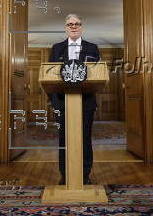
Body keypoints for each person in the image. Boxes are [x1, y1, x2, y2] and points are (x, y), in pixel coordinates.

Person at [48, 14, 100, 185]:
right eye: (70, 24)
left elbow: (98, 74)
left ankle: (85, 175)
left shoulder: (92, 48)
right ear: (66, 28)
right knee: (64, 139)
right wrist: (54, 102)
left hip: (85, 103)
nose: (74, 26)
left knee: (85, 138)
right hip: (62, 103)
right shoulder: (56, 48)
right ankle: (65, 174)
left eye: (77, 24)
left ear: (82, 27)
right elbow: (49, 76)